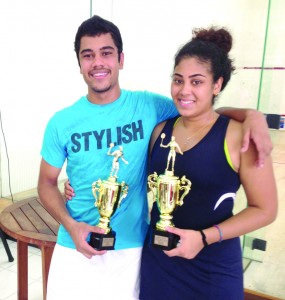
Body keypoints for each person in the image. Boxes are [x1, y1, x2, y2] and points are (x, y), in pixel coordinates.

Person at [38, 15, 272, 300]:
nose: (98, 62)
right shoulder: (62, 123)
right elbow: (45, 183)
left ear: (121, 59)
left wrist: (251, 115)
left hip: (135, 249)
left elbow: (202, 113)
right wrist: (71, 223)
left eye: (106, 53)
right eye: (88, 55)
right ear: (79, 63)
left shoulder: (150, 107)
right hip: (80, 245)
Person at [139, 27, 278, 300]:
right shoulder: (160, 132)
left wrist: (204, 238)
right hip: (159, 263)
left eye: (197, 81)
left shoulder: (239, 136)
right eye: (178, 80)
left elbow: (266, 209)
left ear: (217, 85)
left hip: (212, 267)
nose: (184, 90)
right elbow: (138, 184)